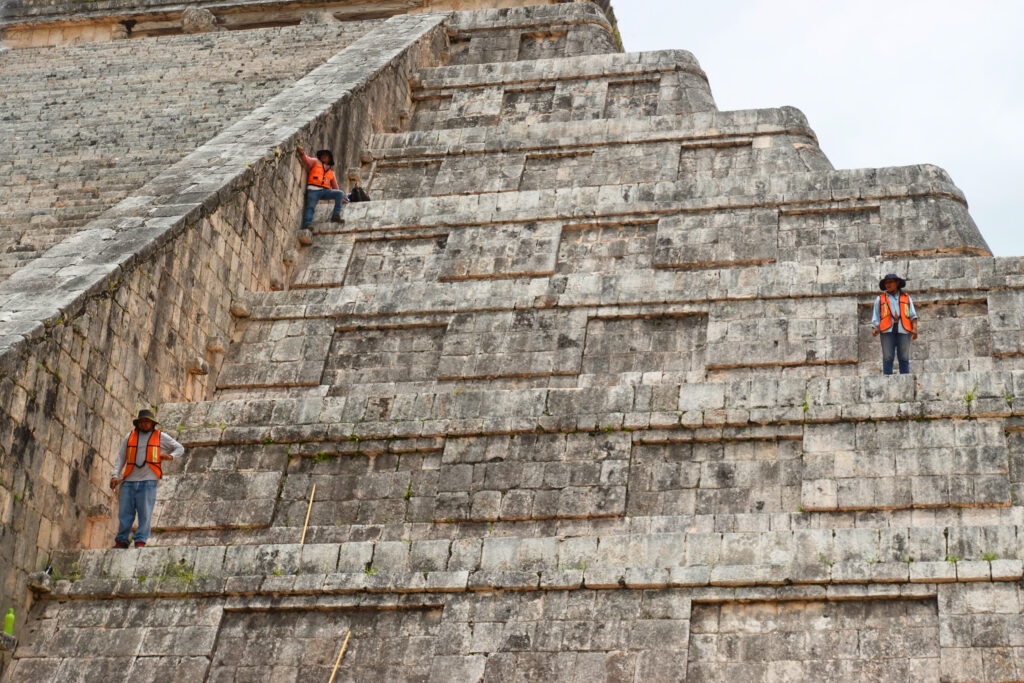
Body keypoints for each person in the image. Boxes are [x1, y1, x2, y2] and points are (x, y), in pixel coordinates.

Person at [109, 409, 184, 548]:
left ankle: (140, 541)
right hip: (128, 481)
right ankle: (122, 540)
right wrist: (115, 475)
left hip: (149, 481)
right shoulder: (129, 436)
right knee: (125, 513)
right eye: (142, 422)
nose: (144, 424)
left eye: (147, 422)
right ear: (138, 424)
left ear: (152, 424)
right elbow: (121, 457)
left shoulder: (160, 436)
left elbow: (179, 448)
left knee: (145, 513)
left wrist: (170, 456)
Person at [871, 273, 918, 375]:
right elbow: (876, 315)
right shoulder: (880, 299)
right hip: (887, 329)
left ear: (897, 283)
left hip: (904, 328)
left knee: (904, 357)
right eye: (886, 283)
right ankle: (887, 378)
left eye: (890, 282)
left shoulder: (906, 298)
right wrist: (875, 328)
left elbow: (913, 315)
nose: (888, 285)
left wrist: (914, 328)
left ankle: (905, 378)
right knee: (887, 357)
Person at [296, 146, 347, 227]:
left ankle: (335, 216)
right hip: (313, 190)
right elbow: (307, 160)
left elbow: (335, 187)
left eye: (326, 155)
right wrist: (302, 153)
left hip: (325, 192)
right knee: (310, 207)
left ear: (329, 159)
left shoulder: (331, 172)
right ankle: (307, 224)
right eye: (323, 154)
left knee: (339, 193)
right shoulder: (315, 161)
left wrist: (341, 199)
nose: (324, 156)